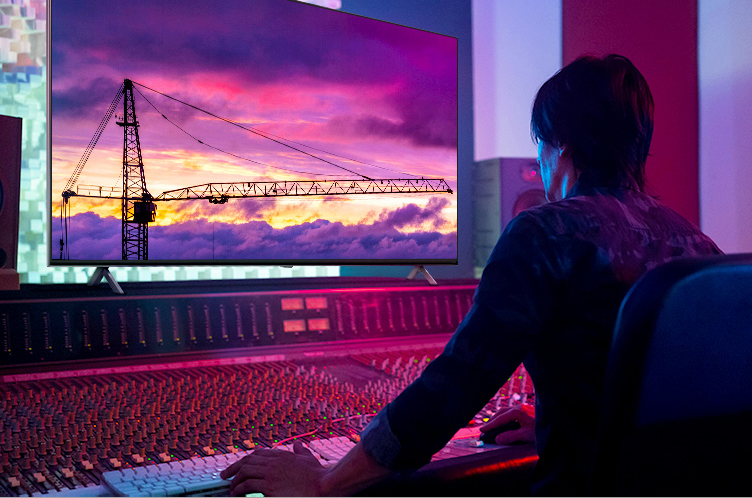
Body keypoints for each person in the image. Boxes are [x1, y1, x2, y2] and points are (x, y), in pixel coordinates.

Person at [221, 54, 722, 496]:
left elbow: (458, 382)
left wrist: (327, 482)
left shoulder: (545, 232)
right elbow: (666, 389)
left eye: (540, 146)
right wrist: (563, 418)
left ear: (560, 145)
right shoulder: (696, 243)